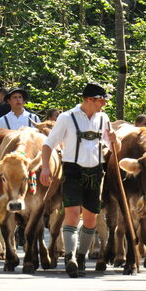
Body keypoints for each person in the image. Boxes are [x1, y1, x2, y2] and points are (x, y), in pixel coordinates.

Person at [40, 82, 121, 278]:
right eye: (101, 100)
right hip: (73, 171)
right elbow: (48, 144)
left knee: (92, 218)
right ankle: (70, 257)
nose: (104, 104)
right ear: (89, 99)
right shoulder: (67, 118)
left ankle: (81, 255)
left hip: (95, 172)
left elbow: (114, 149)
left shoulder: (103, 118)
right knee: (73, 213)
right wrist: (45, 168)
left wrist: (114, 138)